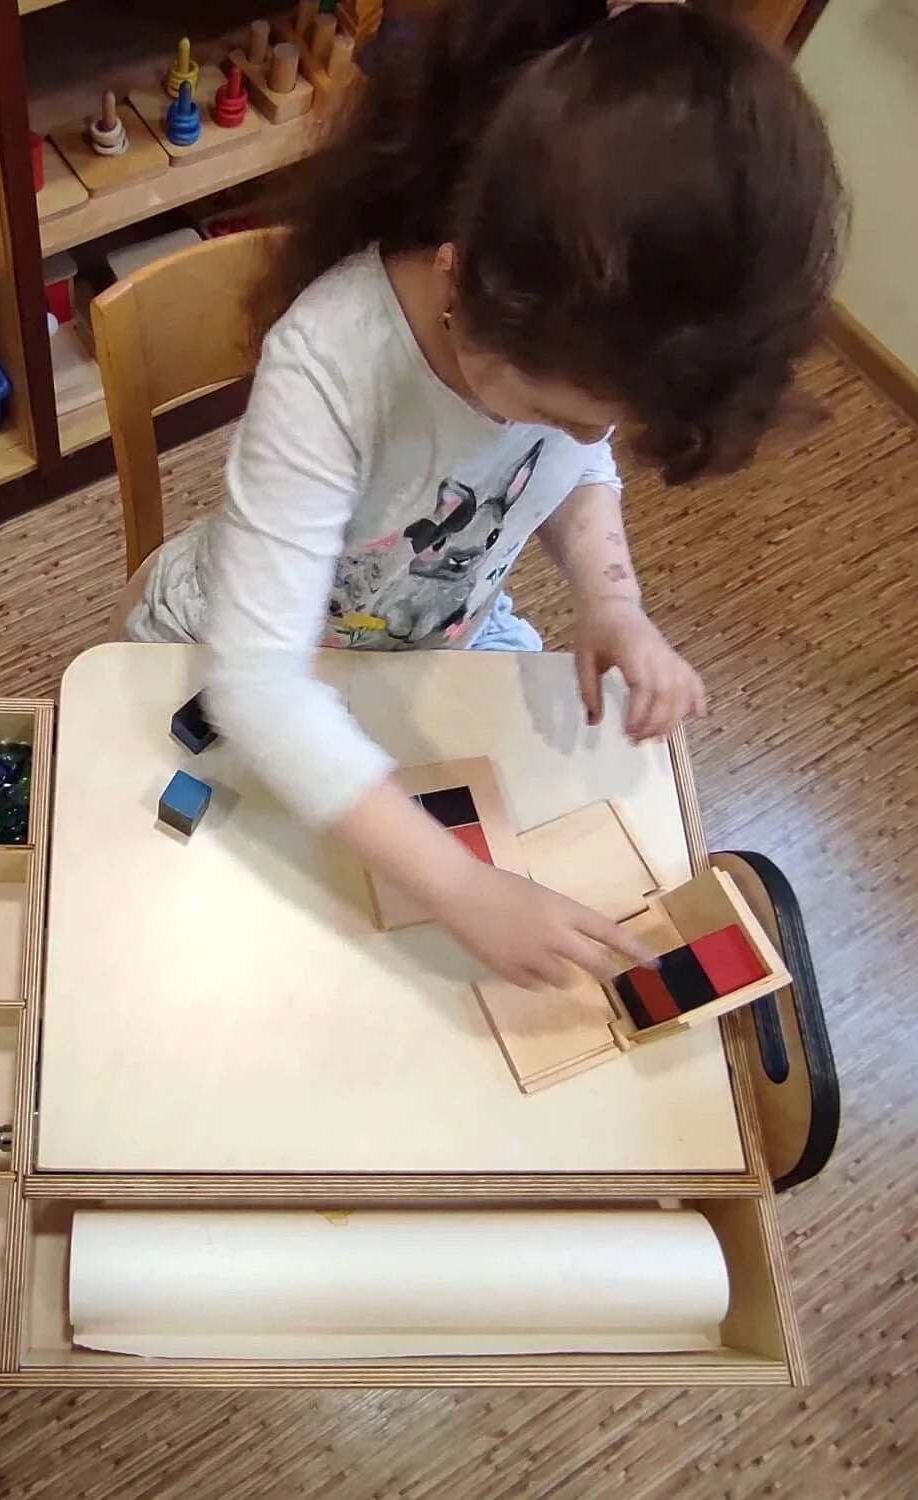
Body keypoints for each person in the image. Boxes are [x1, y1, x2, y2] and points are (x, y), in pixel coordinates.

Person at [123, 0, 844, 988]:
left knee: (550, 842)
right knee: (233, 934)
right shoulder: (334, 362)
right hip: (255, 650)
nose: (595, 446)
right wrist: (458, 889)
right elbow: (259, 688)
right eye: (567, 411)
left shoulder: (565, 354)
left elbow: (571, 466)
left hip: (437, 643)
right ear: (476, 290)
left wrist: (612, 601)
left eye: (610, 426)